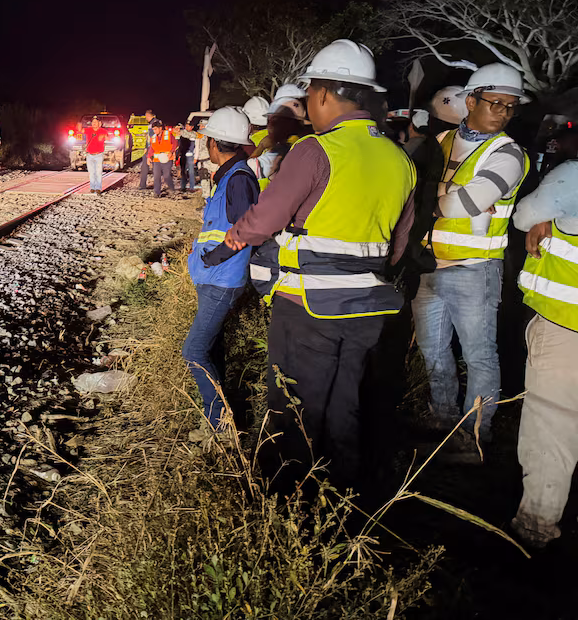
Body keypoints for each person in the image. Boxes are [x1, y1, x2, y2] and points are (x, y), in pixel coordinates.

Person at [224, 39, 416, 486]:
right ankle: (342, 490)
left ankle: (288, 494)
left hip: (308, 306)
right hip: (368, 308)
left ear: (324, 93)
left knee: (294, 406)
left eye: (310, 92)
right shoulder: (399, 158)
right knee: (345, 401)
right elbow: (398, 245)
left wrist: (237, 235)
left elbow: (265, 218)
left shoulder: (316, 150)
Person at [412, 64, 530, 448]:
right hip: (428, 266)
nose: (504, 112)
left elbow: (469, 202)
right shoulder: (441, 140)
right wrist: (449, 199)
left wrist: (438, 199)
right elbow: (420, 192)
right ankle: (442, 417)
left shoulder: (509, 153)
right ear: (471, 101)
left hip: (475, 270)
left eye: (511, 106)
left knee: (479, 356)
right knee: (433, 351)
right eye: (496, 103)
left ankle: (473, 435)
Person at [511, 129, 578, 548]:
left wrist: (549, 220)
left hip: (567, 329)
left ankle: (535, 528)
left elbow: (523, 216)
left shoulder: (572, 178)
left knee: (552, 429)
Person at [182, 108, 260, 439]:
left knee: (193, 350)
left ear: (214, 143)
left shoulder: (238, 179)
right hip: (214, 278)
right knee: (210, 348)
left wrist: (213, 258)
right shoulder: (231, 176)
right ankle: (221, 416)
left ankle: (220, 425)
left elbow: (247, 228)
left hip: (222, 279)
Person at [149, 119, 176, 198]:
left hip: (167, 159)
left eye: (155, 129)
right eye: (153, 129)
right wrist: (149, 157)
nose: (154, 131)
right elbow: (151, 148)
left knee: (166, 175)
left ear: (160, 128)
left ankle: (172, 188)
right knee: (156, 176)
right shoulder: (153, 137)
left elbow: (175, 143)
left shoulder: (168, 134)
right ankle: (157, 192)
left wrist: (171, 152)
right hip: (157, 160)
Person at [82, 115, 108, 193]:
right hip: (89, 155)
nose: (94, 123)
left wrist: (103, 136)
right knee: (91, 172)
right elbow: (80, 130)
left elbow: (107, 138)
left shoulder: (103, 131)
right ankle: (92, 187)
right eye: (93, 122)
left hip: (99, 155)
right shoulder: (88, 130)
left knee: (98, 172)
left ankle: (98, 188)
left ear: (99, 123)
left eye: (95, 122)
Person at [178, 120, 201, 192]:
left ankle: (192, 187)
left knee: (191, 172)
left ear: (192, 127)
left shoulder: (195, 135)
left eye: (189, 126)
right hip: (183, 155)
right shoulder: (181, 133)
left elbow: (197, 146)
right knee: (183, 171)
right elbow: (179, 145)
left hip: (191, 156)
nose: (187, 127)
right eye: (186, 125)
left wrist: (196, 157)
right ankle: (183, 186)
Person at [138, 110, 156, 190]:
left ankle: (143, 185)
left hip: (153, 147)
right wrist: (146, 147)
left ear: (149, 115)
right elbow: (148, 137)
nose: (145, 118)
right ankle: (154, 185)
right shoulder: (152, 123)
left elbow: (151, 138)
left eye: (146, 116)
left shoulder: (154, 124)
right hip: (151, 147)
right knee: (152, 166)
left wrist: (148, 148)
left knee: (147, 166)